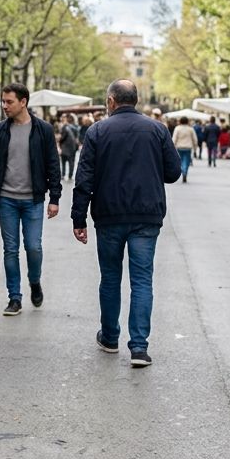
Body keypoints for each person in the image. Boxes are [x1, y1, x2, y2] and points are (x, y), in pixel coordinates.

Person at [71, 80, 181, 368]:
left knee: (110, 278)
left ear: (110, 101)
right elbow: (173, 172)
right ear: (136, 100)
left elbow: (84, 178)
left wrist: (78, 217)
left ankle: (109, 337)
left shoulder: (96, 131)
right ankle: (139, 347)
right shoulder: (157, 129)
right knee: (142, 280)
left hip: (109, 215)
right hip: (146, 215)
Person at [0, 83, 63, 316]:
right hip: (6, 199)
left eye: (9, 102)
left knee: (34, 247)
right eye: (3, 101)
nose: (5, 106)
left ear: (23, 102)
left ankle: (34, 282)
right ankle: (14, 298)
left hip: (33, 200)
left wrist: (54, 197)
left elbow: (52, 165)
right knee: (10, 250)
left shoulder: (43, 130)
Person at [171, 116, 199, 183]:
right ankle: (185, 172)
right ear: (187, 121)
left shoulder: (177, 128)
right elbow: (195, 140)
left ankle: (182, 171)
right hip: (188, 148)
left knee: (180, 161)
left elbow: (174, 139)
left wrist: (172, 148)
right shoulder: (190, 129)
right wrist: (195, 149)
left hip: (179, 147)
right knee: (186, 161)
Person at [58, 114, 80, 181]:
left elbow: (62, 138)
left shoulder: (65, 127)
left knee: (63, 162)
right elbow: (77, 138)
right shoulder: (76, 127)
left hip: (65, 147)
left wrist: (59, 143)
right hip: (72, 147)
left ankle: (63, 174)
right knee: (71, 162)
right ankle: (70, 175)